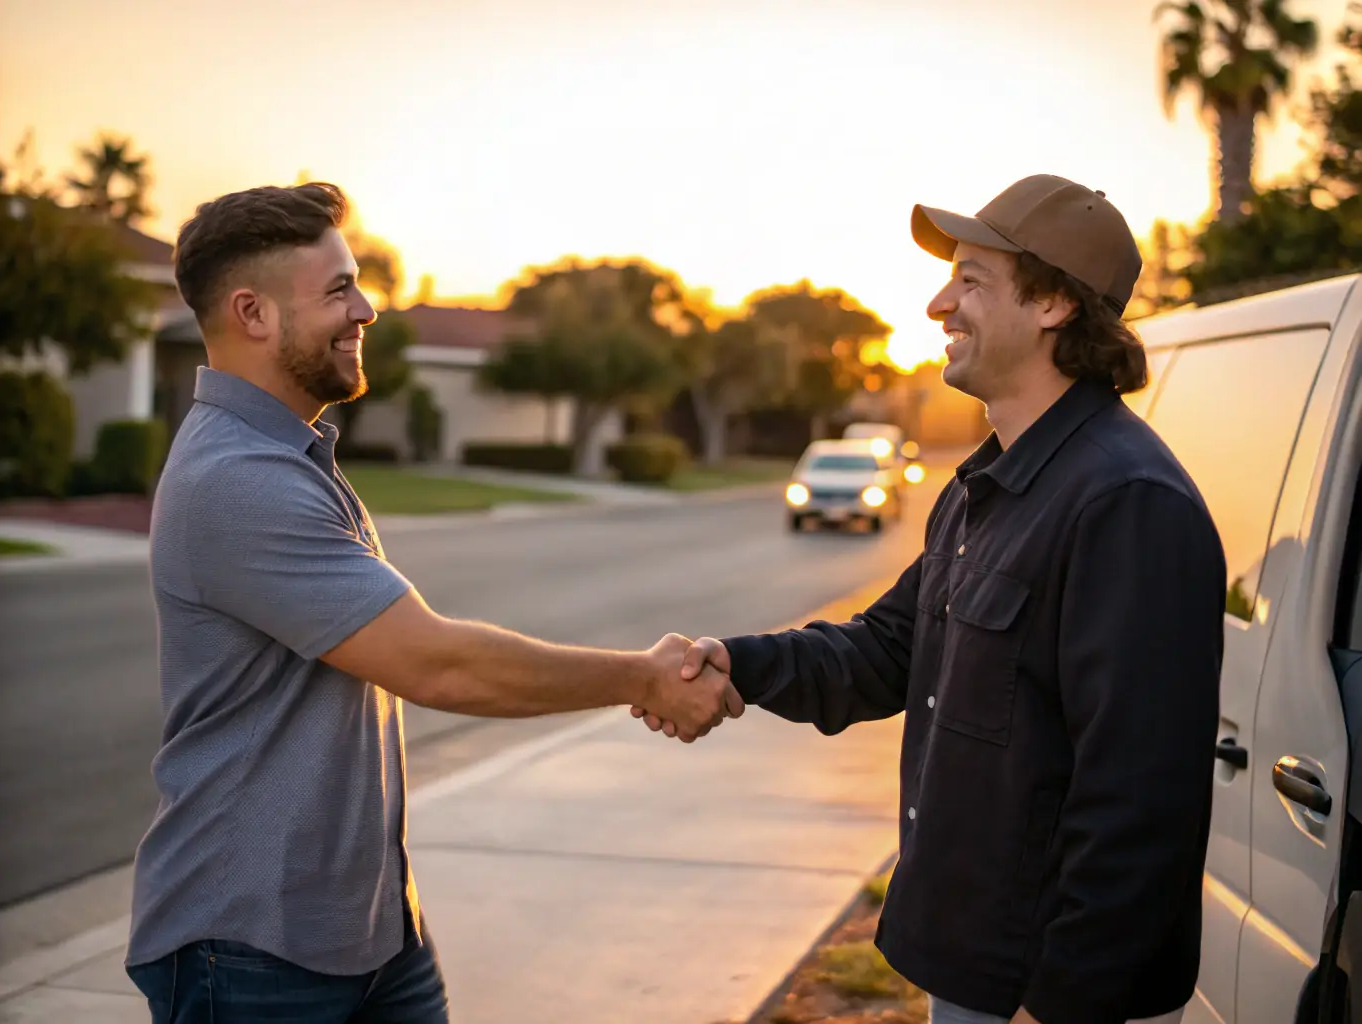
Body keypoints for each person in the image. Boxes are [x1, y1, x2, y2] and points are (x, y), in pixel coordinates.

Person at [124, 181, 740, 1024]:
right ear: (253, 314)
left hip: (370, 931)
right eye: (339, 289)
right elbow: (437, 662)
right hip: (253, 946)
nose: (367, 309)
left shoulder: (284, 456)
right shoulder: (237, 481)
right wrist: (640, 676)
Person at [638, 175, 1227, 1024]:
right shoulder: (985, 485)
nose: (937, 303)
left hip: (1047, 990)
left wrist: (1059, 1005)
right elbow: (888, 651)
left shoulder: (1125, 502)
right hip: (973, 964)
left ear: (1055, 303)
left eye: (971, 281)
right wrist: (739, 663)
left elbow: (1139, 803)